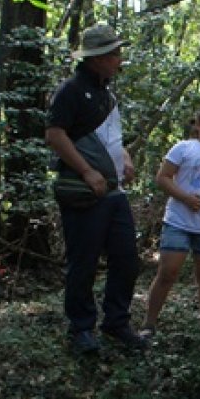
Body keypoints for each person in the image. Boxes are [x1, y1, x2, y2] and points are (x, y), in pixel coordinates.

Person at [45, 24, 145, 355]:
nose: (119, 59)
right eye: (114, 53)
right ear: (97, 58)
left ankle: (116, 322)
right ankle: (81, 328)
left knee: (126, 258)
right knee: (83, 261)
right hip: (83, 192)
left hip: (114, 192)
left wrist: (125, 159)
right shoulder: (70, 91)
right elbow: (55, 135)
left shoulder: (107, 94)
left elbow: (111, 136)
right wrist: (87, 171)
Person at [141, 102, 200, 338]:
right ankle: (148, 324)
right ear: (199, 124)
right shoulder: (183, 148)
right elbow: (163, 177)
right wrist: (184, 197)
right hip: (179, 221)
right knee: (168, 272)